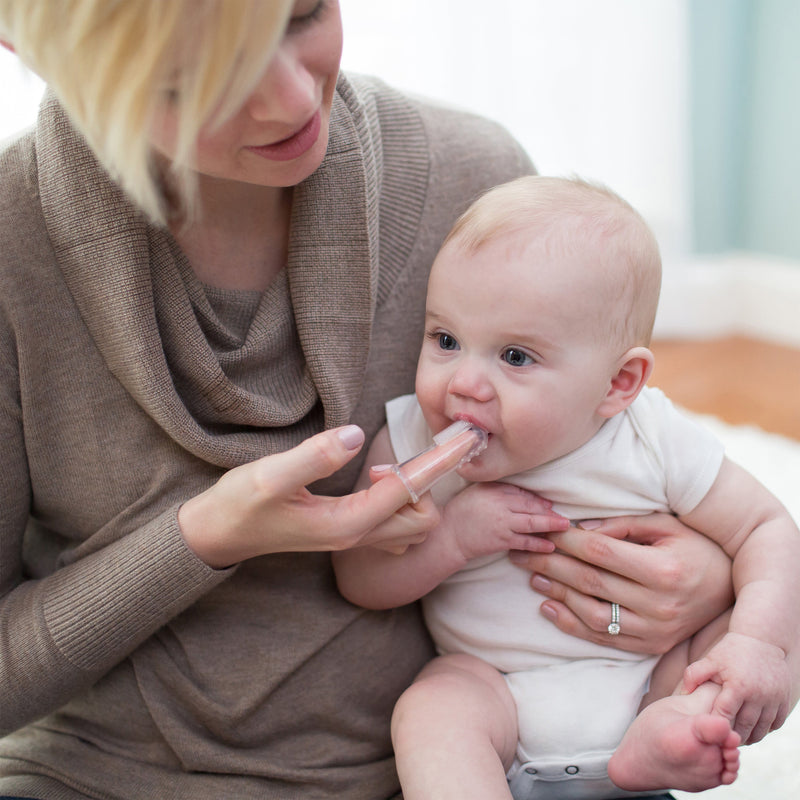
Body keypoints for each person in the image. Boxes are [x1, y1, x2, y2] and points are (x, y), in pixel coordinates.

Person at [0, 1, 736, 797]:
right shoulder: (16, 249)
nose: (289, 99)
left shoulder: (472, 176)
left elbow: (601, 465)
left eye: (303, 13)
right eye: (192, 81)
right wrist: (203, 538)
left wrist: (705, 582)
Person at [333, 176, 800, 799]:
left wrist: (759, 644)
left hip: (652, 679)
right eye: (445, 341)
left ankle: (668, 735)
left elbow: (765, 528)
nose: (464, 383)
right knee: (430, 709)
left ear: (617, 384)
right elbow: (359, 581)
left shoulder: (650, 437)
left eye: (516, 357)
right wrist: (454, 537)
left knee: (727, 652)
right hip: (498, 690)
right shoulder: (415, 436)